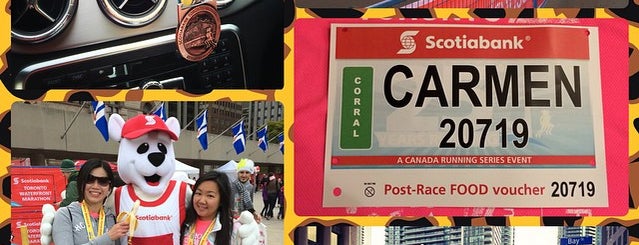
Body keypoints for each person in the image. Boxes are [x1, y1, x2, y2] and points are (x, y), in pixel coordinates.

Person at [52, 158, 130, 245]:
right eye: (90, 179)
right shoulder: (66, 215)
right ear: (81, 183)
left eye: (102, 181)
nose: (95, 186)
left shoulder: (112, 218)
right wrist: (108, 237)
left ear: (109, 188)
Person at [180, 171, 233, 245]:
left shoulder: (233, 230)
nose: (202, 201)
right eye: (198, 193)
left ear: (222, 200)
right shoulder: (182, 221)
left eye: (210, 195)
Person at [231, 158, 261, 223]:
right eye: (241, 172)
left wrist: (254, 214)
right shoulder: (231, 186)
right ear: (237, 173)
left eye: (247, 172)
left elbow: (250, 204)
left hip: (244, 218)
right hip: (231, 218)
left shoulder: (250, 187)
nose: (244, 175)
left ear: (250, 174)